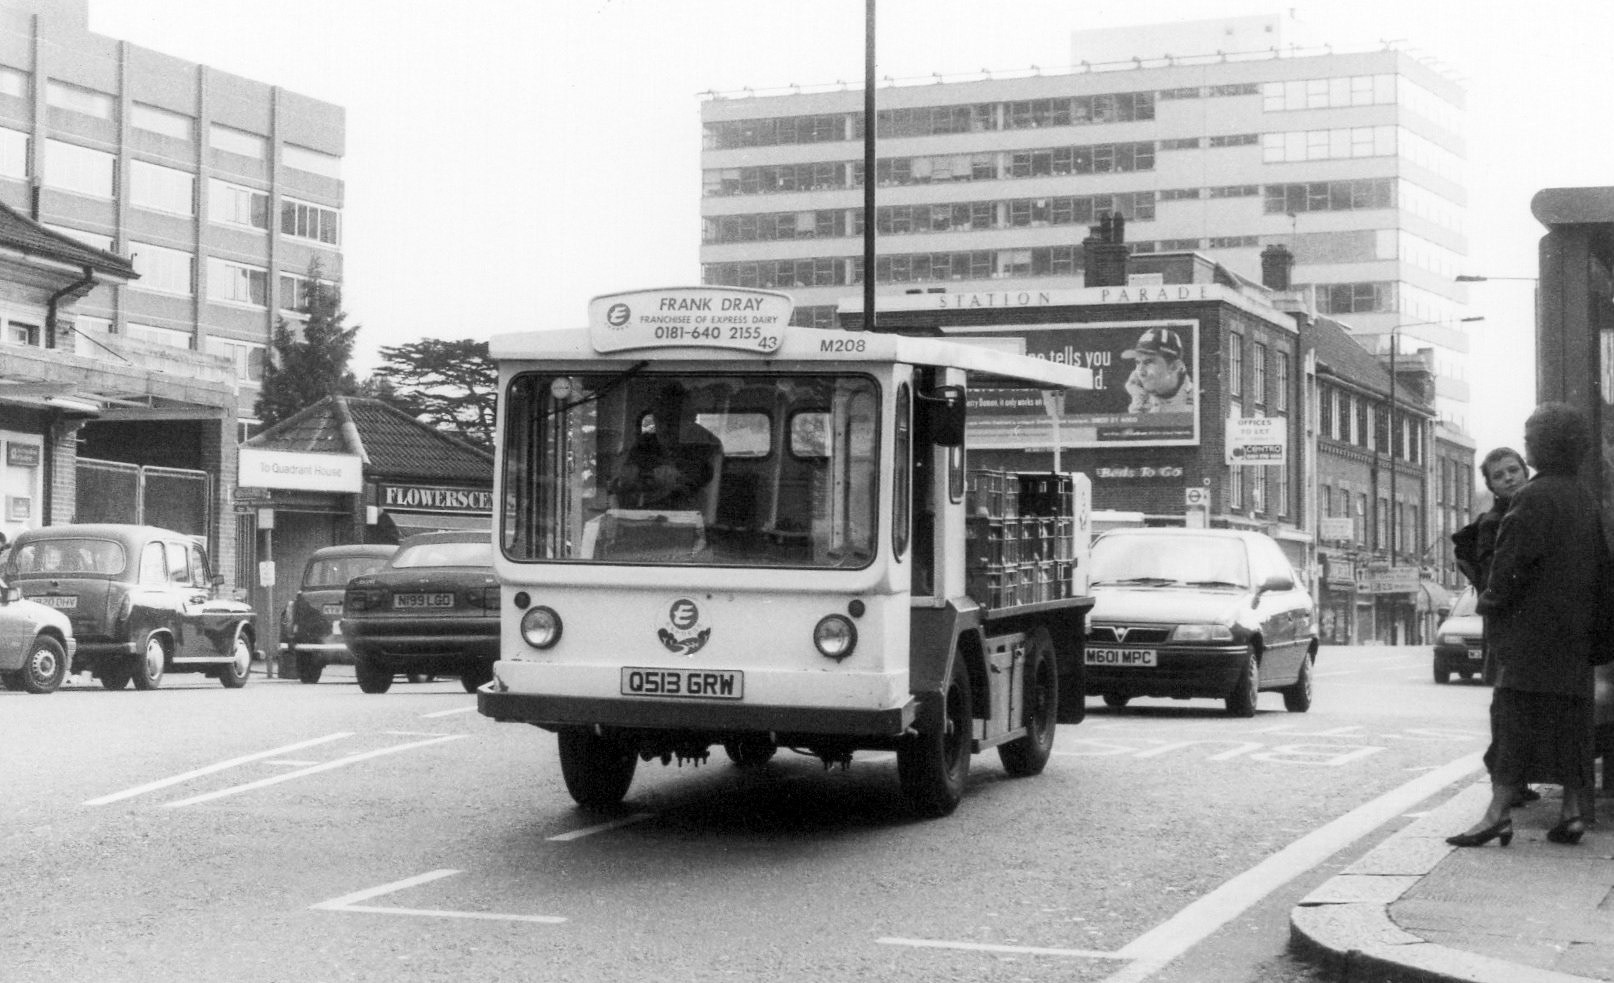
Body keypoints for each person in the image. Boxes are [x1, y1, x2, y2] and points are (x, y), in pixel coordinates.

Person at [1447, 404, 1600, 848]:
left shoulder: (1532, 499)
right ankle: (1572, 812)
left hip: (1530, 636)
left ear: (1543, 444)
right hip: (1573, 635)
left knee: (1512, 721)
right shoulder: (1582, 495)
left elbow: (1508, 570)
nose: (1527, 443)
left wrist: (1491, 604)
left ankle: (1497, 814)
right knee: (1573, 720)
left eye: (1531, 437)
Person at [608, 383, 722, 511]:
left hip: (688, 514)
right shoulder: (644, 444)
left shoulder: (706, 443)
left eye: (674, 420)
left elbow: (707, 484)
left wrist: (678, 479)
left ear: (690, 420)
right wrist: (622, 480)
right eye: (660, 419)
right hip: (645, 514)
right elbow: (621, 482)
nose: (665, 427)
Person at [1121, 327, 1195, 414]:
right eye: (1137, 362)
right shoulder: (1135, 388)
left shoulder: (1197, 399)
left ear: (1174, 366)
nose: (1141, 371)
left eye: (1149, 362)